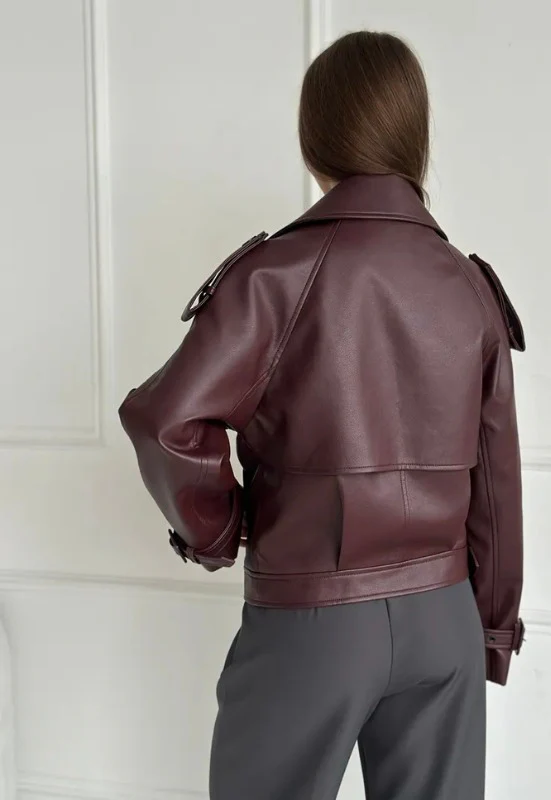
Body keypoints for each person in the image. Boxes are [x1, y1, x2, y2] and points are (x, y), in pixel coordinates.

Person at [119, 30, 525, 800]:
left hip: (315, 620)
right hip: (444, 616)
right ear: (415, 138)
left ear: (315, 142)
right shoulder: (468, 285)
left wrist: (221, 531)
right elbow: (497, 483)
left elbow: (166, 421)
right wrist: (492, 628)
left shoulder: (274, 275)